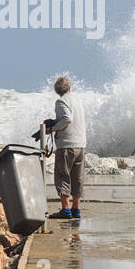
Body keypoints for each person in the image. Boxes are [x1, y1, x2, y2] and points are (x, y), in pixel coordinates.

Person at [46, 76, 87, 220]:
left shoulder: (61, 101)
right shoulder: (77, 100)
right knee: (78, 178)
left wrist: (52, 129)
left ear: (57, 91)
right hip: (80, 144)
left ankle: (65, 210)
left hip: (67, 146)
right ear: (69, 88)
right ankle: (76, 209)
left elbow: (67, 119)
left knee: (63, 176)